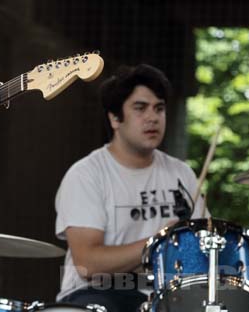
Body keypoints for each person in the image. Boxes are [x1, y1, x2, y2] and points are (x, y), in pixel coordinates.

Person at [54, 64, 206, 312]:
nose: (153, 117)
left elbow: (199, 252)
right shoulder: (86, 174)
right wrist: (159, 242)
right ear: (114, 118)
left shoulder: (181, 174)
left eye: (159, 108)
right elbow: (88, 263)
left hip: (165, 295)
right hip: (95, 295)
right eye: (140, 108)